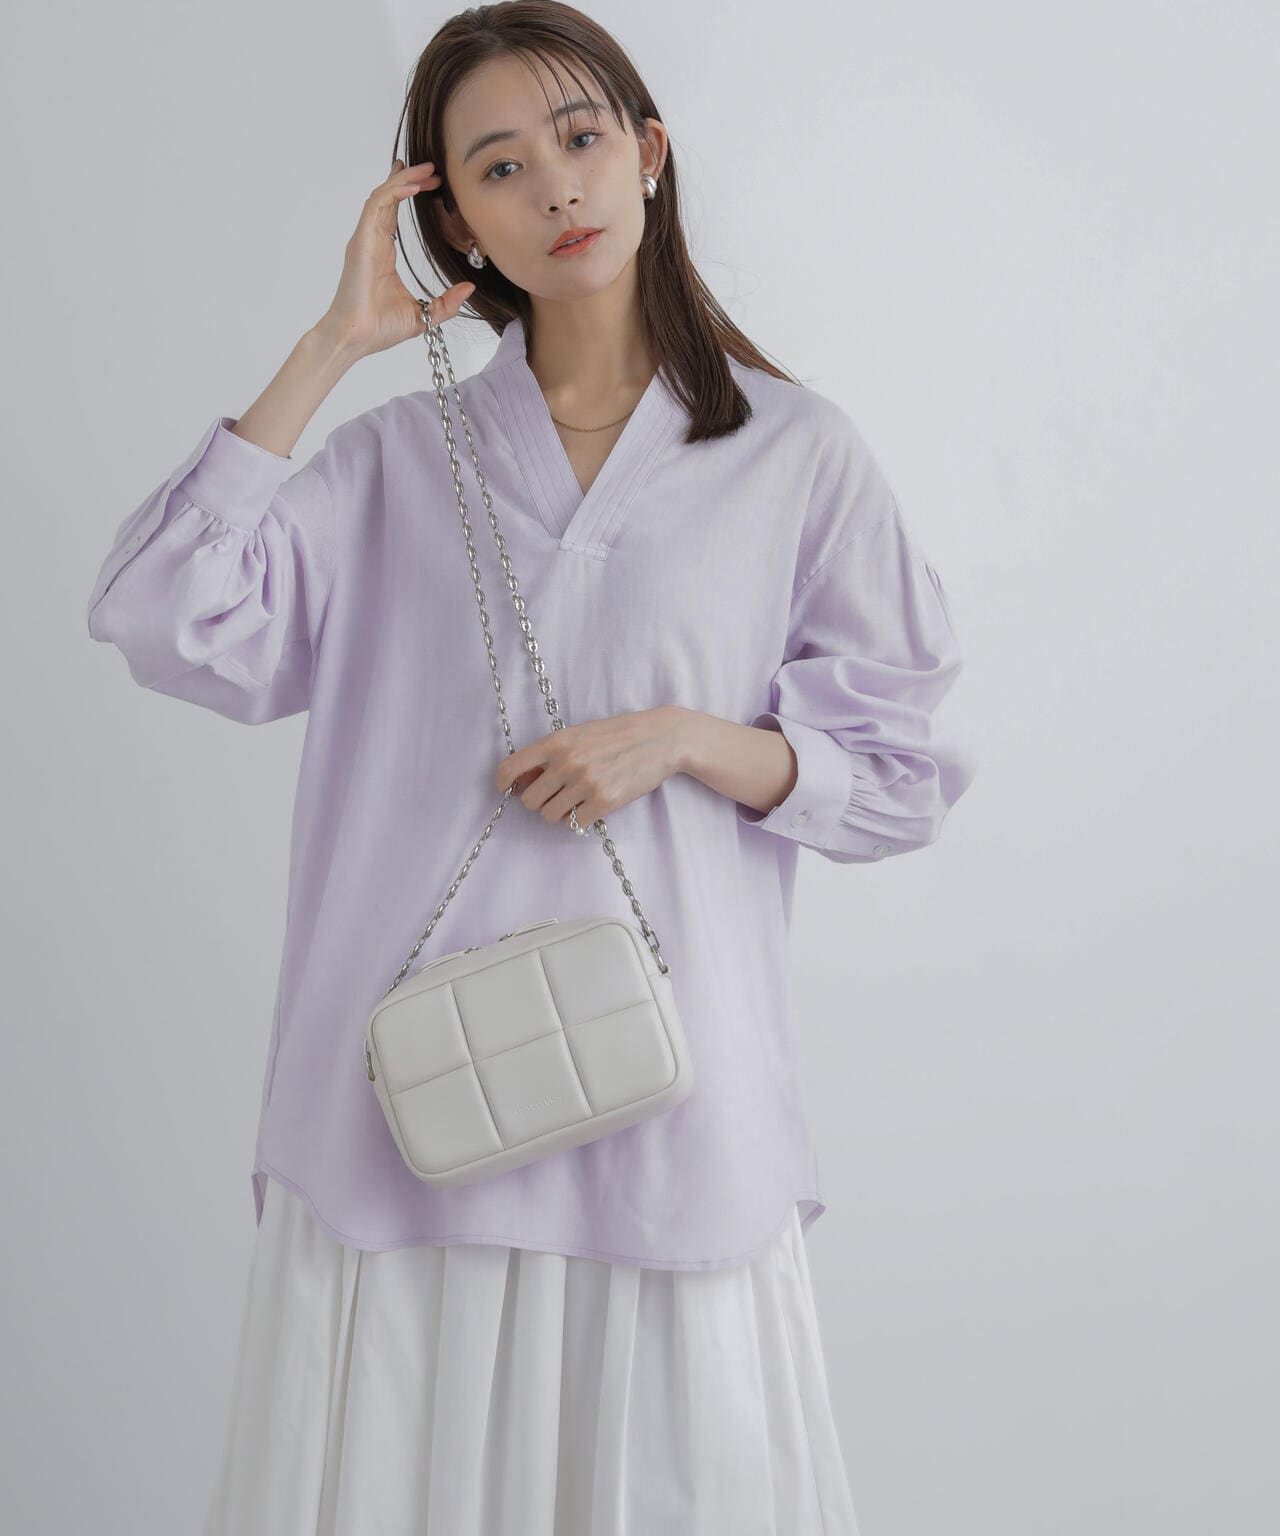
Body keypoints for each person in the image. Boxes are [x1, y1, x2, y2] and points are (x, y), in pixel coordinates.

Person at [86, 5, 975, 1532]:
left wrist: (687, 739)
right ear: (453, 222)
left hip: (670, 1121)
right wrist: (333, 345)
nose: (557, 187)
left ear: (648, 153)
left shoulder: (793, 456)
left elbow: (904, 771)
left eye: (580, 138)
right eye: (499, 167)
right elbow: (162, 615)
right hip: (404, 1126)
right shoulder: (389, 462)